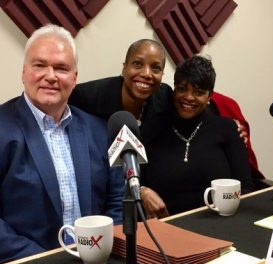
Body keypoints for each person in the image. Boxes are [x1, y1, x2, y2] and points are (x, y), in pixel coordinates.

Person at [68, 39, 261, 217]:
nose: (146, 73)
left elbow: (196, 113)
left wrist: (231, 127)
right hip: (99, 193)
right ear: (124, 67)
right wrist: (141, 190)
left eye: (155, 68)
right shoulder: (86, 96)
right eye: (137, 64)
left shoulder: (163, 99)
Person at [0, 24, 124, 263]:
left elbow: (118, 199)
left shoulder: (99, 130)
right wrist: (41, 261)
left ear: (75, 78)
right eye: (40, 65)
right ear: (24, 72)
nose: (51, 76)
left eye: (61, 68)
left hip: (98, 262)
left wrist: (106, 247)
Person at [140, 55, 255, 216]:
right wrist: (141, 191)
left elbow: (246, 188)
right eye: (182, 89)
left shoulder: (227, 129)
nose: (188, 97)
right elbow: (136, 181)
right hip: (165, 228)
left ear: (209, 96)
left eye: (198, 92)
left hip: (220, 225)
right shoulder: (154, 128)